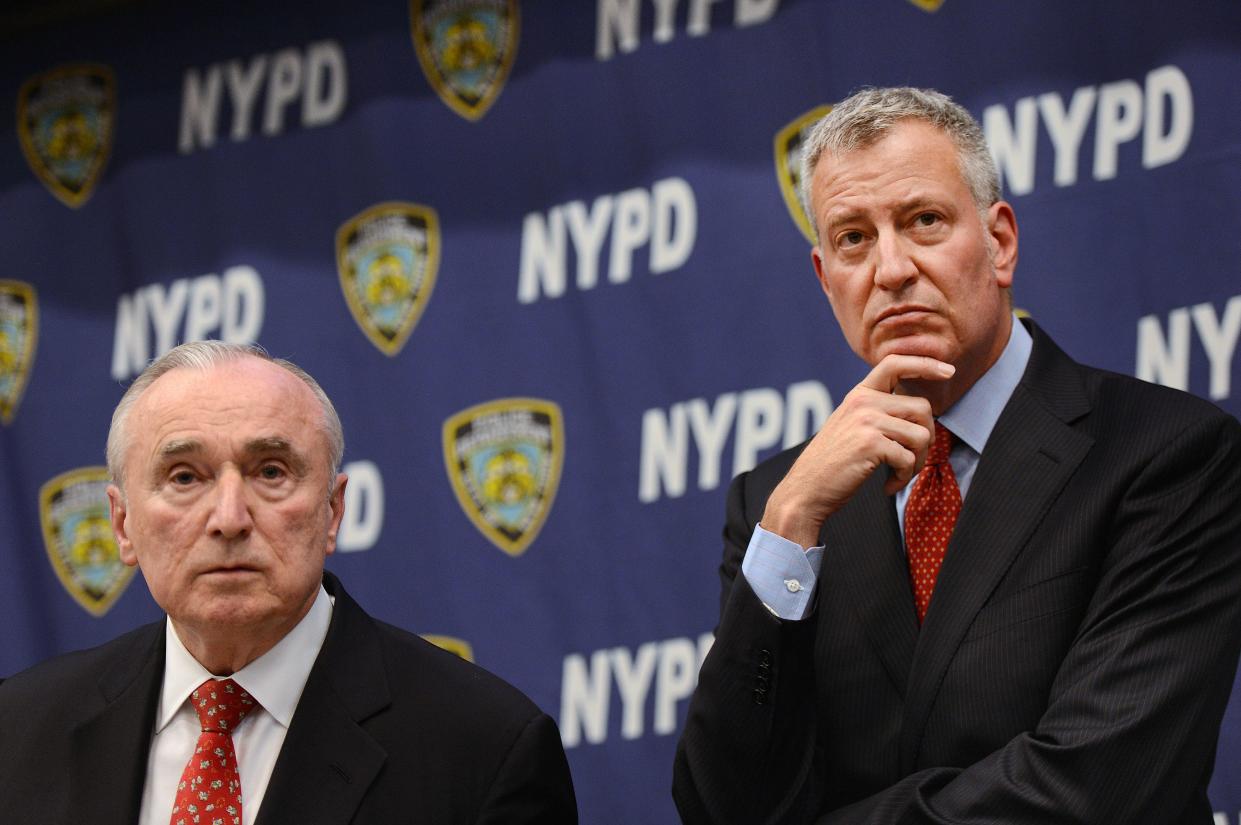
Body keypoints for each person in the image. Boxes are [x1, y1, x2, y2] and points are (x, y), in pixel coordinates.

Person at [672, 87, 1241, 824]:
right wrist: (787, 525)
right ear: (825, 279)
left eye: (923, 221)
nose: (890, 269)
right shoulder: (779, 500)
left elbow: (1094, 787)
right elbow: (720, 805)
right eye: (853, 238)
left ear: (999, 240)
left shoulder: (1164, 452)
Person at [0, 341, 578, 824]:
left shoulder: (484, 749)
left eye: (270, 472)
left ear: (332, 510)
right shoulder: (18, 732)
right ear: (122, 524)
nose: (229, 518)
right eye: (184, 476)